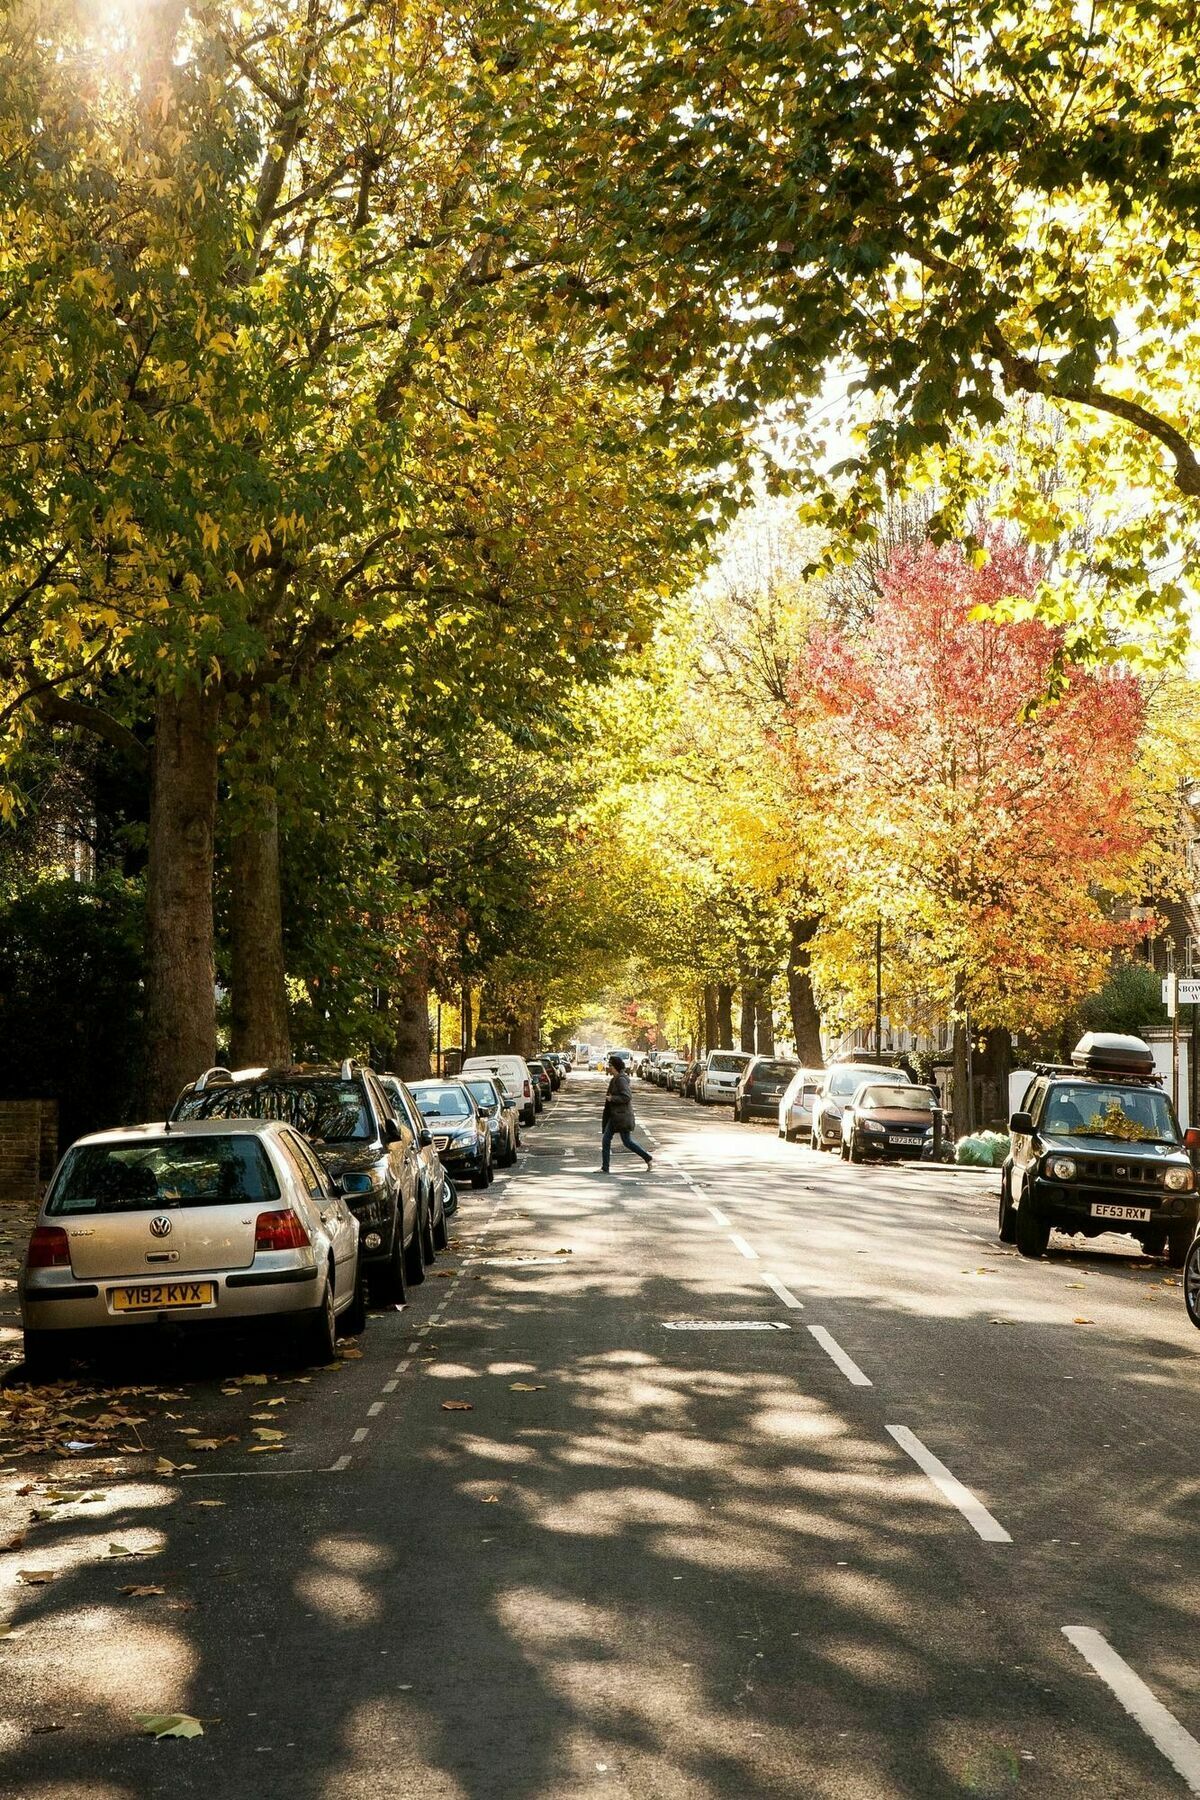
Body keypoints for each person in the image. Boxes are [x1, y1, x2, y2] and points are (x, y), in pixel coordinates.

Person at [601, 1054, 653, 1173]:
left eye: (610, 1065)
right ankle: (605, 1167)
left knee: (626, 1142)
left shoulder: (621, 1080)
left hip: (621, 1116)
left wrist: (612, 1098)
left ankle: (648, 1158)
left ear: (615, 1067)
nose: (608, 1067)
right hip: (616, 1116)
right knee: (610, 1139)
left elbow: (627, 1096)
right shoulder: (615, 1079)